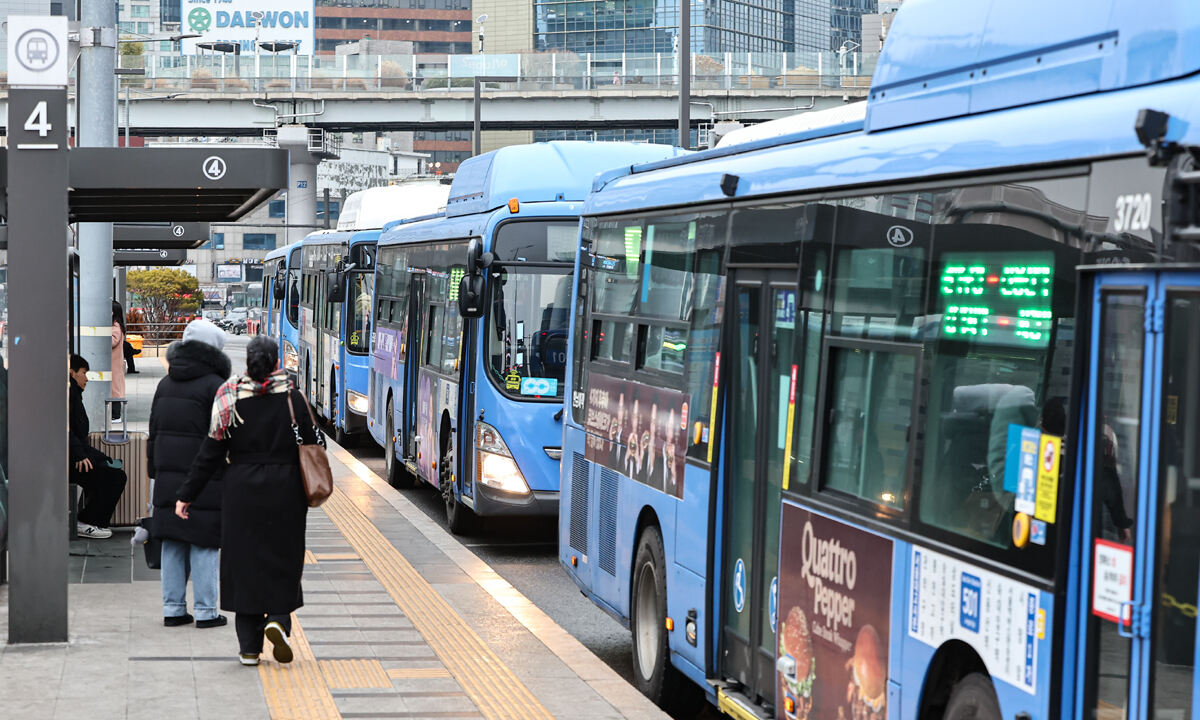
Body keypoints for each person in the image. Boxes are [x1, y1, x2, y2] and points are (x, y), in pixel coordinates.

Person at [176, 336, 315, 666]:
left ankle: (249, 649)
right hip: (286, 492)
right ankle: (278, 620)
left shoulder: (230, 397)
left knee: (244, 564)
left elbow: (209, 454)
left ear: (249, 364)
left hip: (241, 492)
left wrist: (186, 495)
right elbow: (312, 443)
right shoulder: (293, 397)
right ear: (276, 362)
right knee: (284, 557)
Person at [149, 319, 231, 629]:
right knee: (204, 542)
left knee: (172, 541)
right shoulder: (216, 387)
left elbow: (153, 433)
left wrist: (154, 473)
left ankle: (173, 609)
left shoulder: (165, 383)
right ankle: (207, 612)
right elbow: (224, 435)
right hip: (204, 478)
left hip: (167, 477)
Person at [69, 354, 128, 539]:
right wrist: (79, 454)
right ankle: (87, 521)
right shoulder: (69, 395)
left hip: (73, 454)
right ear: (72, 373)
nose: (86, 379)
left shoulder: (73, 395)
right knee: (115, 477)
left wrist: (101, 458)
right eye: (84, 373)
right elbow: (64, 428)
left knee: (110, 471)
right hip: (70, 458)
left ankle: (90, 520)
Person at [111, 301, 127, 419]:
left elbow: (113, 341)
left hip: (113, 364)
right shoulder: (116, 325)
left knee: (115, 390)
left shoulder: (115, 326)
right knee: (114, 389)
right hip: (113, 363)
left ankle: (116, 416)